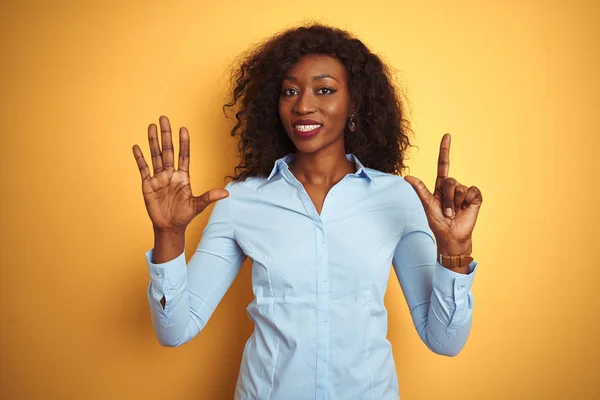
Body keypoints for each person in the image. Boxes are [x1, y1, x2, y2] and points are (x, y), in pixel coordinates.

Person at [132, 24, 482, 400]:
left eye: (325, 90)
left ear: (355, 103)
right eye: (290, 91)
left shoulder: (398, 198)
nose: (303, 105)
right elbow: (175, 330)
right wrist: (168, 235)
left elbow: (444, 340)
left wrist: (455, 250)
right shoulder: (242, 199)